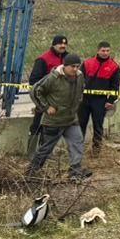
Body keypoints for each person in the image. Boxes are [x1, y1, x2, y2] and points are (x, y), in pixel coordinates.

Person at [27, 54, 91, 182]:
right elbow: (35, 91)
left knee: (77, 142)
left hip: (71, 119)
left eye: (77, 66)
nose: (75, 69)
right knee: (46, 148)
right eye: (72, 66)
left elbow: (79, 92)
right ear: (65, 66)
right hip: (54, 121)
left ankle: (75, 171)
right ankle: (32, 172)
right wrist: (46, 107)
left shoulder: (79, 76)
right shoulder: (53, 78)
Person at [80, 42, 120, 153]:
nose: (105, 53)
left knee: (98, 126)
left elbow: (115, 86)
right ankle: (77, 150)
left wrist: (110, 100)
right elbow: (79, 80)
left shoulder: (114, 67)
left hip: (100, 100)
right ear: (98, 50)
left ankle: (96, 151)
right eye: (103, 50)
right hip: (84, 99)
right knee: (80, 124)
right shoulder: (87, 63)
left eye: (107, 51)